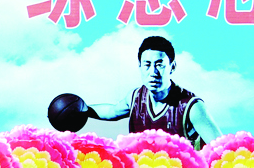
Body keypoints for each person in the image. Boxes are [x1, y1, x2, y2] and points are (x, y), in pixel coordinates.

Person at [92, 36, 223, 149]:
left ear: (172, 67)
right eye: (147, 65)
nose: (153, 72)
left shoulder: (192, 107)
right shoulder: (135, 98)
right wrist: (83, 108)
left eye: (159, 65)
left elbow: (221, 150)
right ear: (140, 66)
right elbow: (112, 111)